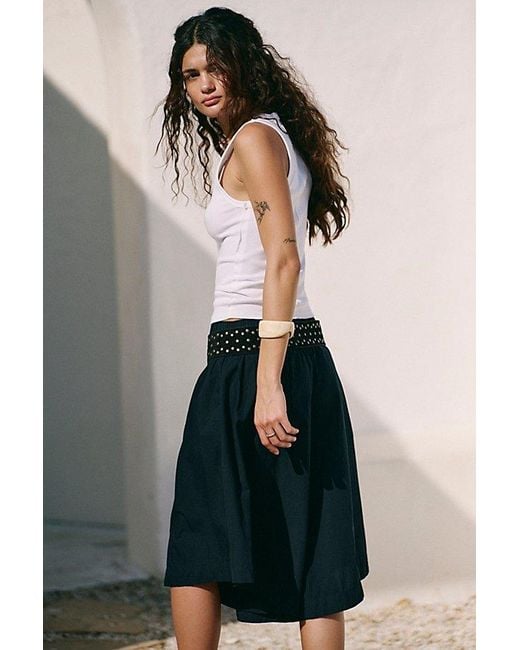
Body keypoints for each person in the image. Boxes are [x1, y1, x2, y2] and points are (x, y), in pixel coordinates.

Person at [155, 7, 369, 649]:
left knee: (199, 538)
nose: (204, 84)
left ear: (245, 65)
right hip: (295, 352)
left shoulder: (253, 139)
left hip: (252, 355)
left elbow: (284, 257)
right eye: (191, 74)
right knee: (313, 550)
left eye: (215, 68)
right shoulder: (273, 136)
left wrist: (267, 383)